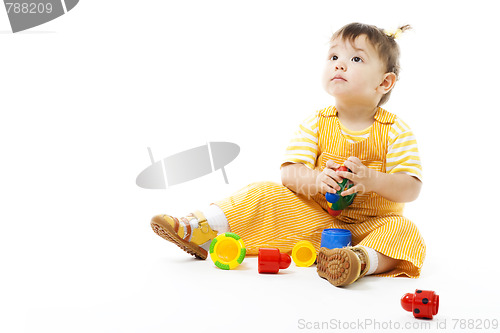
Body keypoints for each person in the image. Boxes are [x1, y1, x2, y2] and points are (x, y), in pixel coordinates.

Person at [150, 22, 425, 287]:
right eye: (334, 56)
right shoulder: (317, 122)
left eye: (356, 60)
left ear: (385, 82)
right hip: (316, 223)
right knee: (264, 193)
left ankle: (359, 260)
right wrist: (316, 179)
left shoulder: (395, 131)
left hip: (371, 228)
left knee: (405, 232)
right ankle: (197, 228)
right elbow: (289, 173)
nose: (339, 64)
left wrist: (373, 180)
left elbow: (411, 188)